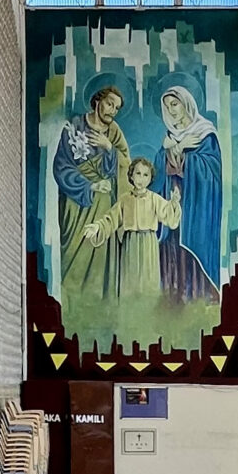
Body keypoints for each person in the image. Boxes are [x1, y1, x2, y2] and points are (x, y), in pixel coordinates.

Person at [53, 84, 128, 310]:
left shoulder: (114, 132)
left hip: (104, 205)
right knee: (76, 256)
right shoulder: (75, 126)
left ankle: (99, 308)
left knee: (101, 256)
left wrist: (109, 149)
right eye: (109, 104)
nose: (112, 111)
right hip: (77, 204)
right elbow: (61, 167)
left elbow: (127, 167)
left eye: (116, 108)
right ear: (97, 101)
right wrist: (90, 185)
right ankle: (73, 308)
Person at [157, 83, 223, 305]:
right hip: (173, 206)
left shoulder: (205, 134)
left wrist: (184, 156)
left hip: (196, 207)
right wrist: (171, 151)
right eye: (167, 107)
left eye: (175, 104)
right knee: (171, 252)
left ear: (186, 104)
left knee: (191, 256)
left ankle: (196, 299)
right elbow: (157, 172)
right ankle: (172, 301)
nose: (172, 110)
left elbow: (212, 171)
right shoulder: (169, 138)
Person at [111, 159, 182, 300]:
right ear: (131, 176)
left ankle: (148, 316)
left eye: (145, 175)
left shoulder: (155, 199)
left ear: (150, 178)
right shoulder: (125, 199)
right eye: (138, 173)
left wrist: (174, 203)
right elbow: (112, 218)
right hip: (130, 243)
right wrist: (97, 227)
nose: (141, 179)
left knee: (148, 281)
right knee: (130, 281)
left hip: (148, 243)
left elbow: (169, 218)